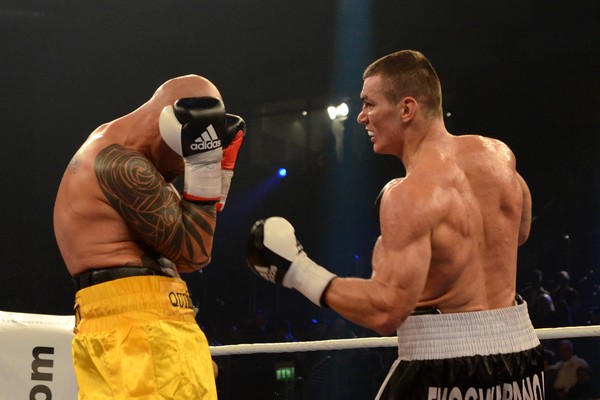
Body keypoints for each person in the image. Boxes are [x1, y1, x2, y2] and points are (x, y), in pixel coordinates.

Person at [246, 50, 544, 399]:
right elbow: (520, 231)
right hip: (522, 360)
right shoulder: (498, 155)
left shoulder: (408, 195)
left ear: (406, 109)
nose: (361, 117)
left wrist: (297, 271)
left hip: (445, 365)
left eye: (369, 104)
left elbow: (386, 311)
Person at [54, 74, 245, 399]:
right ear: (171, 128)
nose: (183, 169)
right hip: (142, 336)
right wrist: (204, 165)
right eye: (186, 155)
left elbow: (190, 228)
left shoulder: (121, 150)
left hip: (136, 331)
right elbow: (195, 254)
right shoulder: (121, 165)